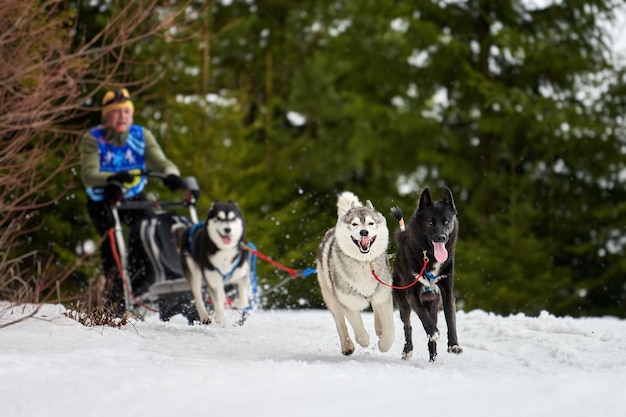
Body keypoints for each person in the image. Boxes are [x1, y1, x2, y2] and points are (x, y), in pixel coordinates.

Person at [80, 88, 183, 314]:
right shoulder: (93, 139)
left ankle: (141, 286)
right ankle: (115, 302)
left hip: (135, 196)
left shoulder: (141, 136)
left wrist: (172, 174)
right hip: (103, 198)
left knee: (147, 234)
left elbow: (161, 162)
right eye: (116, 112)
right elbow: (88, 174)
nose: (122, 116)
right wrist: (111, 179)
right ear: (106, 116)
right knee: (113, 246)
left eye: (126, 112)